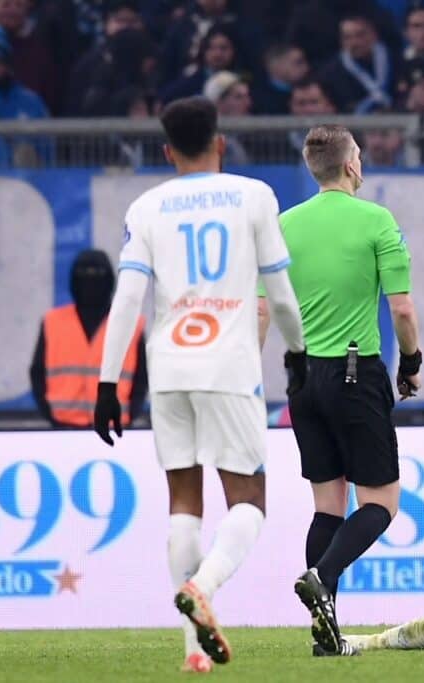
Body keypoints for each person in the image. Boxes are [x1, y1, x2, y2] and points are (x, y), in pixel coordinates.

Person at [93, 95, 307, 674]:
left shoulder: (147, 207)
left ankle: (193, 651)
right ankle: (202, 586)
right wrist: (297, 352)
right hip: (228, 365)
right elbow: (280, 293)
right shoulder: (254, 196)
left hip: (167, 368)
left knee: (183, 503)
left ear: (167, 151)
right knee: (249, 500)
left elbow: (128, 298)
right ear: (220, 142)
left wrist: (108, 384)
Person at [257, 124, 421, 657]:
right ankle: (322, 577)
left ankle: (325, 637)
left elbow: (262, 310)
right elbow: (402, 308)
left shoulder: (283, 226)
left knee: (328, 507)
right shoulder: (376, 220)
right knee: (381, 503)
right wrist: (411, 362)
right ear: (352, 165)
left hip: (303, 381)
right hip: (355, 372)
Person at [30, 249, 147, 429]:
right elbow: (38, 374)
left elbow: (142, 377)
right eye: (83, 274)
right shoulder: (52, 322)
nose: (90, 282)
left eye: (98, 274)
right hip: (63, 428)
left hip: (114, 427)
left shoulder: (129, 323)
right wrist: (51, 416)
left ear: (109, 280)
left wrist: (130, 415)